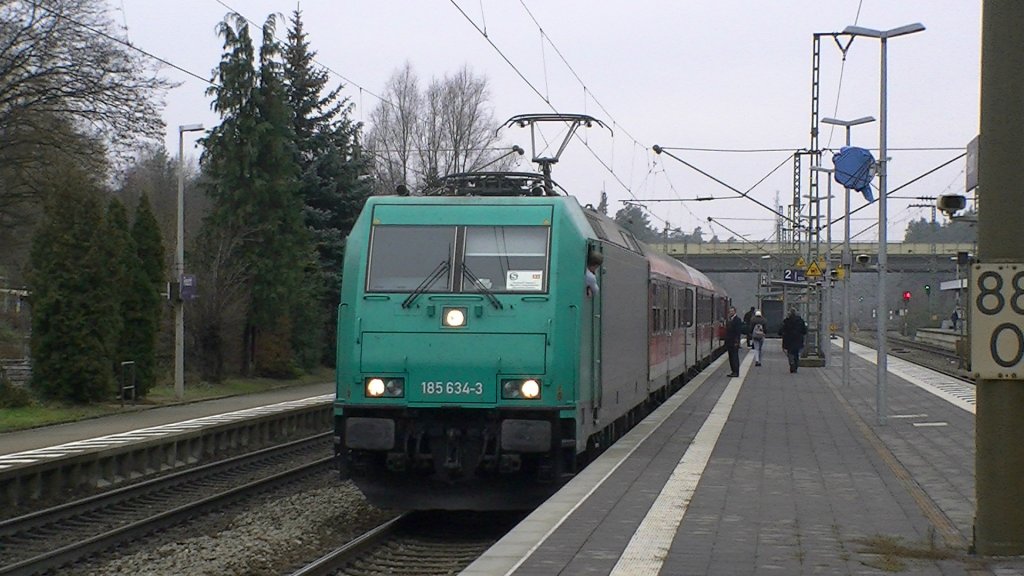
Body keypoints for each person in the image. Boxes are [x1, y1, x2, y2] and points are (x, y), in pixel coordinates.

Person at [779, 307, 808, 373]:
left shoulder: (786, 321)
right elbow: (804, 331)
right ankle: (796, 365)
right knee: (796, 353)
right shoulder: (800, 321)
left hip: (788, 339)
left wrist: (782, 334)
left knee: (790, 352)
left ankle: (791, 363)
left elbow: (781, 330)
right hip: (798, 339)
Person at [725, 306, 743, 377]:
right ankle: (733, 371)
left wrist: (737, 342)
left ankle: (736, 371)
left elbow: (738, 332)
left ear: (735, 311)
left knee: (734, 357)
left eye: (732, 311)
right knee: (731, 357)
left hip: (734, 342)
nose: (731, 312)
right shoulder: (730, 320)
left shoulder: (737, 320)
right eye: (730, 311)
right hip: (729, 342)